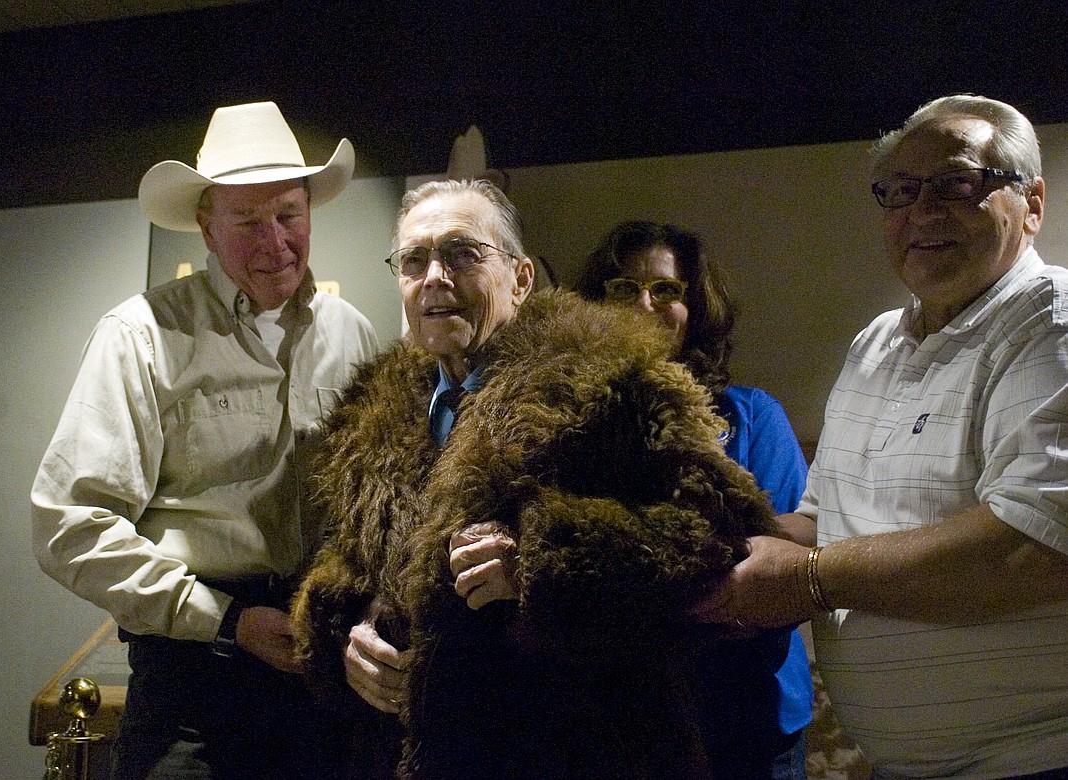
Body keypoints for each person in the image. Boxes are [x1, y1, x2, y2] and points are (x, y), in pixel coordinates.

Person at [289, 179, 779, 779]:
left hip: (587, 752)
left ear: (520, 280)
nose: (435, 276)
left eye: (463, 253)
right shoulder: (372, 413)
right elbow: (349, 561)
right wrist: (347, 635)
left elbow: (725, 533)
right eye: (414, 260)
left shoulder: (612, 377)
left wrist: (545, 563)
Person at [692, 94, 1068, 778]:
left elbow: (1034, 548)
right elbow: (822, 523)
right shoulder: (875, 345)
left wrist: (807, 579)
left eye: (957, 183)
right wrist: (697, 548)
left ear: (1032, 205)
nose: (923, 211)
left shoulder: (1052, 325)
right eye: (900, 190)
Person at [31, 101, 379, 780]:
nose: (273, 241)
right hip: (194, 683)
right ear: (206, 227)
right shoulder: (140, 336)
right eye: (247, 221)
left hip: (322, 678)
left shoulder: (355, 334)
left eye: (287, 215)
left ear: (311, 210)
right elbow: (67, 528)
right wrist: (227, 621)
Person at [576, 220, 813, 779]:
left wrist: (640, 562)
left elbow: (799, 533)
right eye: (621, 288)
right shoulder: (572, 422)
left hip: (752, 707)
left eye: (665, 290)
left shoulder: (751, 415)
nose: (643, 304)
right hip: (619, 713)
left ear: (695, 307)